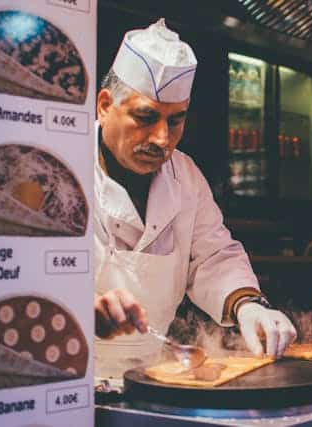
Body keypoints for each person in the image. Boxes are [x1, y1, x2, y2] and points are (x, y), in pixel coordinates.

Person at [93, 19, 296, 377]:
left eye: (175, 121)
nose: (161, 138)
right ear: (105, 105)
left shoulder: (185, 176)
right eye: (146, 117)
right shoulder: (59, 167)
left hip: (149, 376)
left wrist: (249, 305)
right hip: (63, 377)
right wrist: (73, 305)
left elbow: (213, 255)